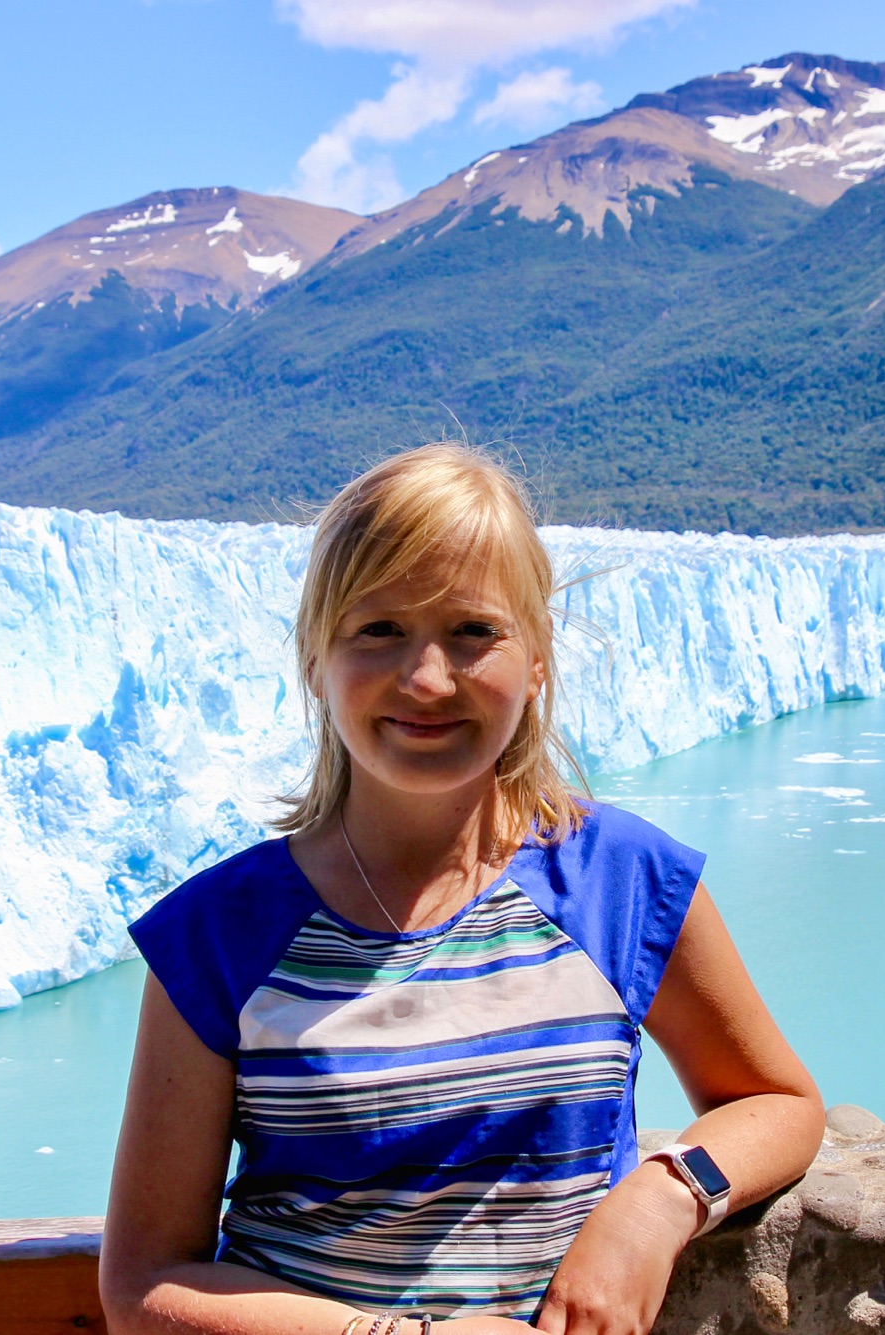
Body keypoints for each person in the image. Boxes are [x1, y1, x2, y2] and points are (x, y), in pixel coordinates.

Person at [101, 444, 824, 1335]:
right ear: (316, 658)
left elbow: (777, 1101)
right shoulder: (217, 935)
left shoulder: (622, 881)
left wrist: (661, 1200)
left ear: (538, 656)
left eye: (474, 631)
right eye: (379, 629)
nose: (427, 679)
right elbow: (144, 1284)